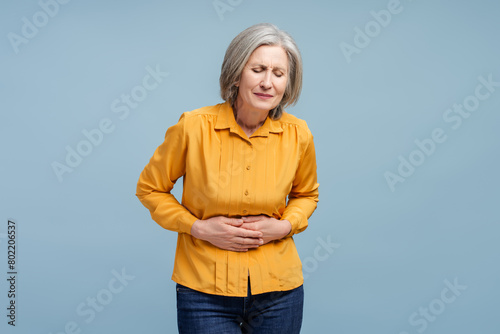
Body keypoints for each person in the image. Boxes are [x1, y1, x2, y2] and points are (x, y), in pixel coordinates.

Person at [136, 22, 319, 334]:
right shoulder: (193, 127)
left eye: (278, 73)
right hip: (204, 290)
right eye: (258, 69)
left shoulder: (298, 133)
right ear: (236, 74)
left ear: (288, 83)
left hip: (279, 291)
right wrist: (199, 228)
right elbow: (150, 190)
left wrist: (285, 225)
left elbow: (307, 195)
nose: (267, 83)